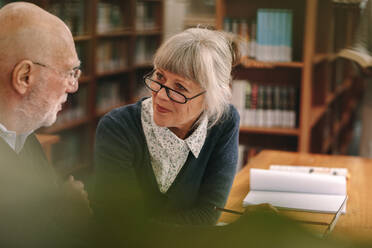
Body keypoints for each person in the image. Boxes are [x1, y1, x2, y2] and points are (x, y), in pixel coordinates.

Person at [92, 27, 240, 227]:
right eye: (160, 77)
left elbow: (208, 214)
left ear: (210, 99)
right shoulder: (117, 128)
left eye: (180, 87)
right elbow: (122, 225)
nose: (160, 95)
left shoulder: (224, 122)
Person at [0, 2, 91, 247]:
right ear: (24, 77)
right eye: (69, 72)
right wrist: (64, 214)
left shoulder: (21, 133)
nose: (73, 86)